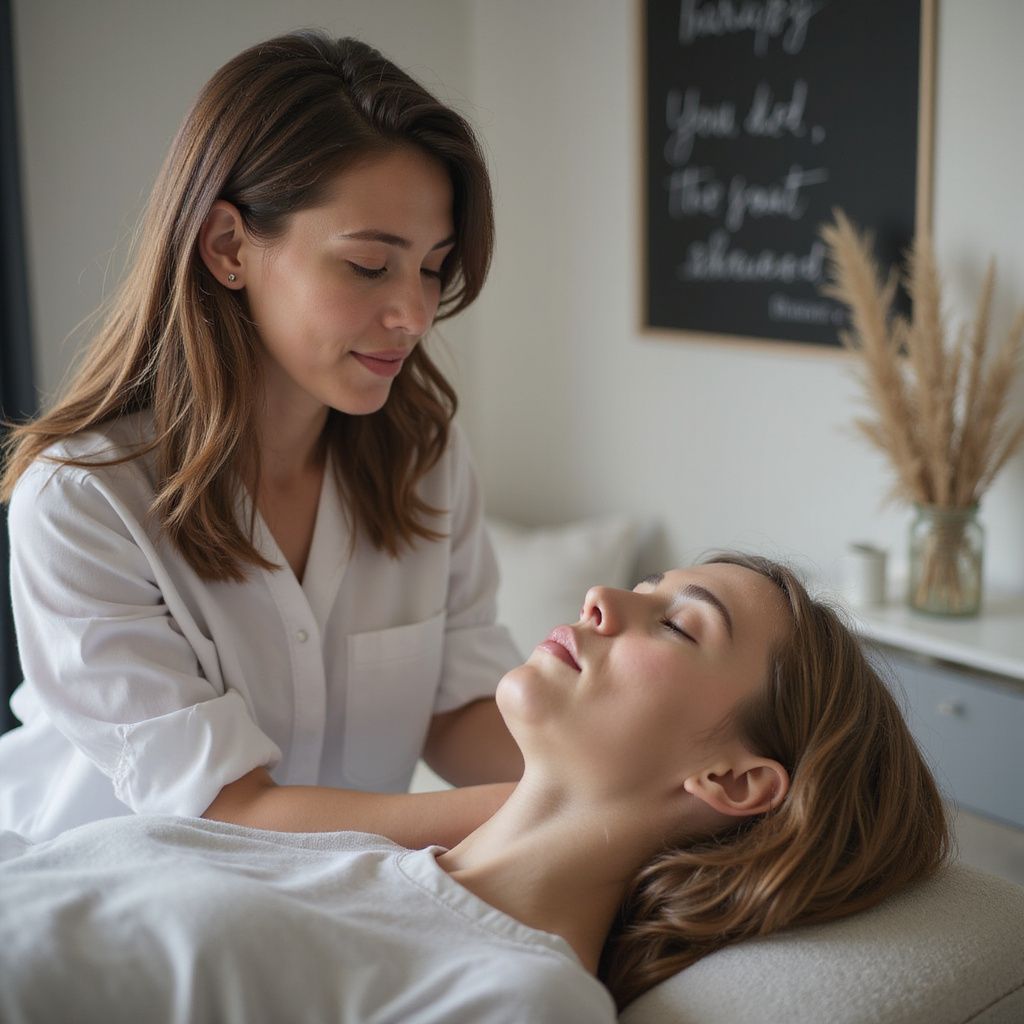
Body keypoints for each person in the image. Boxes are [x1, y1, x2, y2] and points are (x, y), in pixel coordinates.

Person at [0, 554, 950, 1022]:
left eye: (678, 625)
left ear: (735, 780)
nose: (605, 601)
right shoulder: (346, 858)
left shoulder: (519, 997)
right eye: (649, 583)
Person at [0, 31, 524, 845]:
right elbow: (229, 810)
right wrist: (561, 809)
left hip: (334, 909)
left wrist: (628, 786)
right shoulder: (82, 501)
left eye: (432, 266)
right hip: (114, 924)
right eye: (368, 265)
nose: (416, 315)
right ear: (228, 247)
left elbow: (457, 707)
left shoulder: (427, 462)